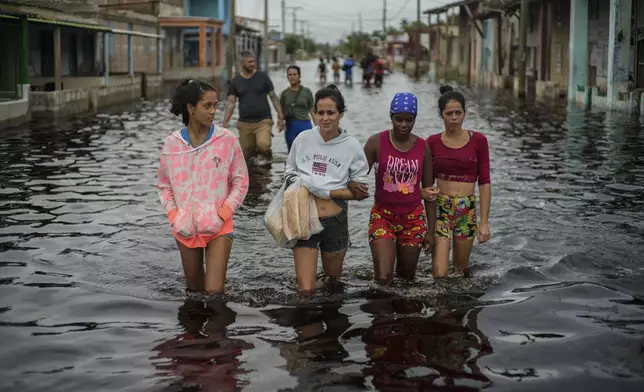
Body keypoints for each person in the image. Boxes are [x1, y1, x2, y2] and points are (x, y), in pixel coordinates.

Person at [157, 79, 249, 294]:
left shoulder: (226, 140)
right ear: (191, 108)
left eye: (215, 105)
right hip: (185, 228)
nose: (213, 111)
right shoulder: (172, 144)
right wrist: (174, 216)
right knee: (194, 292)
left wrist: (222, 215)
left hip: (219, 226)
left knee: (215, 293)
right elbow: (164, 185)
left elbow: (241, 182)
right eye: (207, 106)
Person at [284, 84, 370, 295]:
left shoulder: (352, 147)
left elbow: (360, 193)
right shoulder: (303, 139)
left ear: (340, 114)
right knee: (306, 290)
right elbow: (289, 175)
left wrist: (324, 191)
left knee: (333, 286)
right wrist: (327, 188)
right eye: (320, 112)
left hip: (336, 222)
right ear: (313, 113)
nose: (325, 118)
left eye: (331, 112)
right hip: (304, 220)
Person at [362, 93, 439, 284]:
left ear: (414, 119)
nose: (403, 125)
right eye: (398, 119)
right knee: (383, 278)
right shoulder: (376, 143)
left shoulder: (423, 147)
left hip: (413, 219)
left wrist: (431, 231)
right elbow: (355, 175)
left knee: (406, 280)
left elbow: (429, 192)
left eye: (409, 120)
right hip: (382, 216)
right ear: (391, 117)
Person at [426, 85, 491, 278]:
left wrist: (484, 222)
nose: (454, 118)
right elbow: (426, 183)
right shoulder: (431, 142)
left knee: (460, 270)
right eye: (449, 113)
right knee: (440, 272)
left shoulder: (478, 140)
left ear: (465, 113)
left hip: (466, 209)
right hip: (441, 208)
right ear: (441, 115)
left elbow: (485, 182)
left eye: (458, 113)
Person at [222, 50, 285, 162]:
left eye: (254, 61)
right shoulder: (236, 81)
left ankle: (268, 161)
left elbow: (274, 97)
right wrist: (225, 121)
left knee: (263, 145)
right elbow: (231, 103)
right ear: (242, 63)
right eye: (250, 62)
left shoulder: (263, 77)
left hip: (263, 121)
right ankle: (255, 172)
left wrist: (280, 116)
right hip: (244, 123)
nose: (253, 64)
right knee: (246, 156)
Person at [279, 65, 317, 152]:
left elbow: (312, 110)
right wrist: (280, 122)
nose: (292, 77)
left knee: (306, 151)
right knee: (292, 152)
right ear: (287, 76)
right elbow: (281, 111)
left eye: (294, 74)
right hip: (290, 126)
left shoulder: (306, 92)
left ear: (299, 76)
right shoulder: (284, 94)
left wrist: (319, 128)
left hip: (304, 125)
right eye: (290, 75)